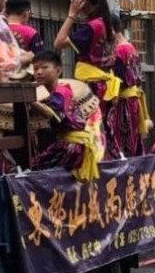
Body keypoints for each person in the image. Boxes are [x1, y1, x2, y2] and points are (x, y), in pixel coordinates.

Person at [55, 0, 121, 139]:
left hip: (91, 87)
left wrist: (71, 15)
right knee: (103, 130)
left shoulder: (92, 27)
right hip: (104, 86)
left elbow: (58, 42)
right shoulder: (104, 24)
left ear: (81, 1)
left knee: (90, 131)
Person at [29, 50, 104, 181]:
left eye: (44, 67)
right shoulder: (55, 93)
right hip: (71, 143)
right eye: (36, 69)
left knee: (37, 169)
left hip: (72, 146)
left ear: (58, 71)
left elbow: (53, 114)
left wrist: (30, 101)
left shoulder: (61, 92)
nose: (39, 72)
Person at [106, 14, 152, 158]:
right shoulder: (131, 47)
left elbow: (117, 79)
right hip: (132, 101)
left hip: (124, 103)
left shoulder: (120, 51)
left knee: (124, 144)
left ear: (111, 30)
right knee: (134, 141)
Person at [6, 0, 45, 68]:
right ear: (26, 13)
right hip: (25, 78)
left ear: (6, 12)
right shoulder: (31, 33)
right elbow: (40, 59)